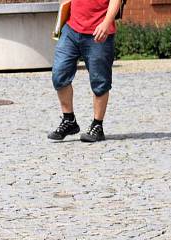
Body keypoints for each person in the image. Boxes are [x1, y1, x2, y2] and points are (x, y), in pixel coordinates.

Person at [47, 0, 123, 142]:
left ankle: (97, 125)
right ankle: (69, 119)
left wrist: (106, 23)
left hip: (99, 32)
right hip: (71, 29)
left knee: (100, 81)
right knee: (59, 74)